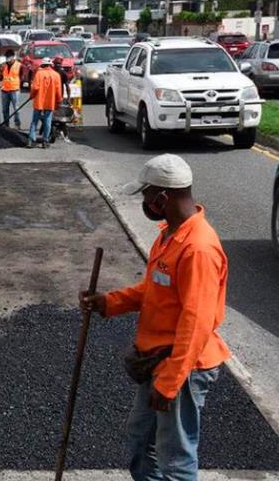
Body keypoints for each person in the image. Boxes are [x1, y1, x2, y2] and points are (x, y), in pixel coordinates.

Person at [80, 154, 231, 481]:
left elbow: (197, 323)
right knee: (141, 443)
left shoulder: (198, 249)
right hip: (158, 360)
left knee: (175, 460)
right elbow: (153, 289)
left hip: (183, 366)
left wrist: (171, 382)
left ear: (163, 197)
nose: (144, 203)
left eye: (147, 196)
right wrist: (108, 303)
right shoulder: (169, 236)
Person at [28, 57, 62, 147]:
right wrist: (59, 101)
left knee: (34, 121)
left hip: (39, 102)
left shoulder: (39, 74)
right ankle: (45, 141)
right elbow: (58, 91)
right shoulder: (56, 75)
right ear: (51, 65)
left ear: (42, 65)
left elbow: (35, 88)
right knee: (47, 121)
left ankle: (31, 140)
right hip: (50, 102)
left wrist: (31, 96)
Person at [0, 49, 22, 129]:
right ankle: (6, 124)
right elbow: (0, 77)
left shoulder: (19, 65)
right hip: (4, 90)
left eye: (9, 57)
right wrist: (0, 69)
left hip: (14, 90)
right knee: (4, 109)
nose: (8, 58)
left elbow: (22, 76)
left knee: (16, 109)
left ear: (13, 57)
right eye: (7, 57)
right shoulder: (4, 66)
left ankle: (17, 124)